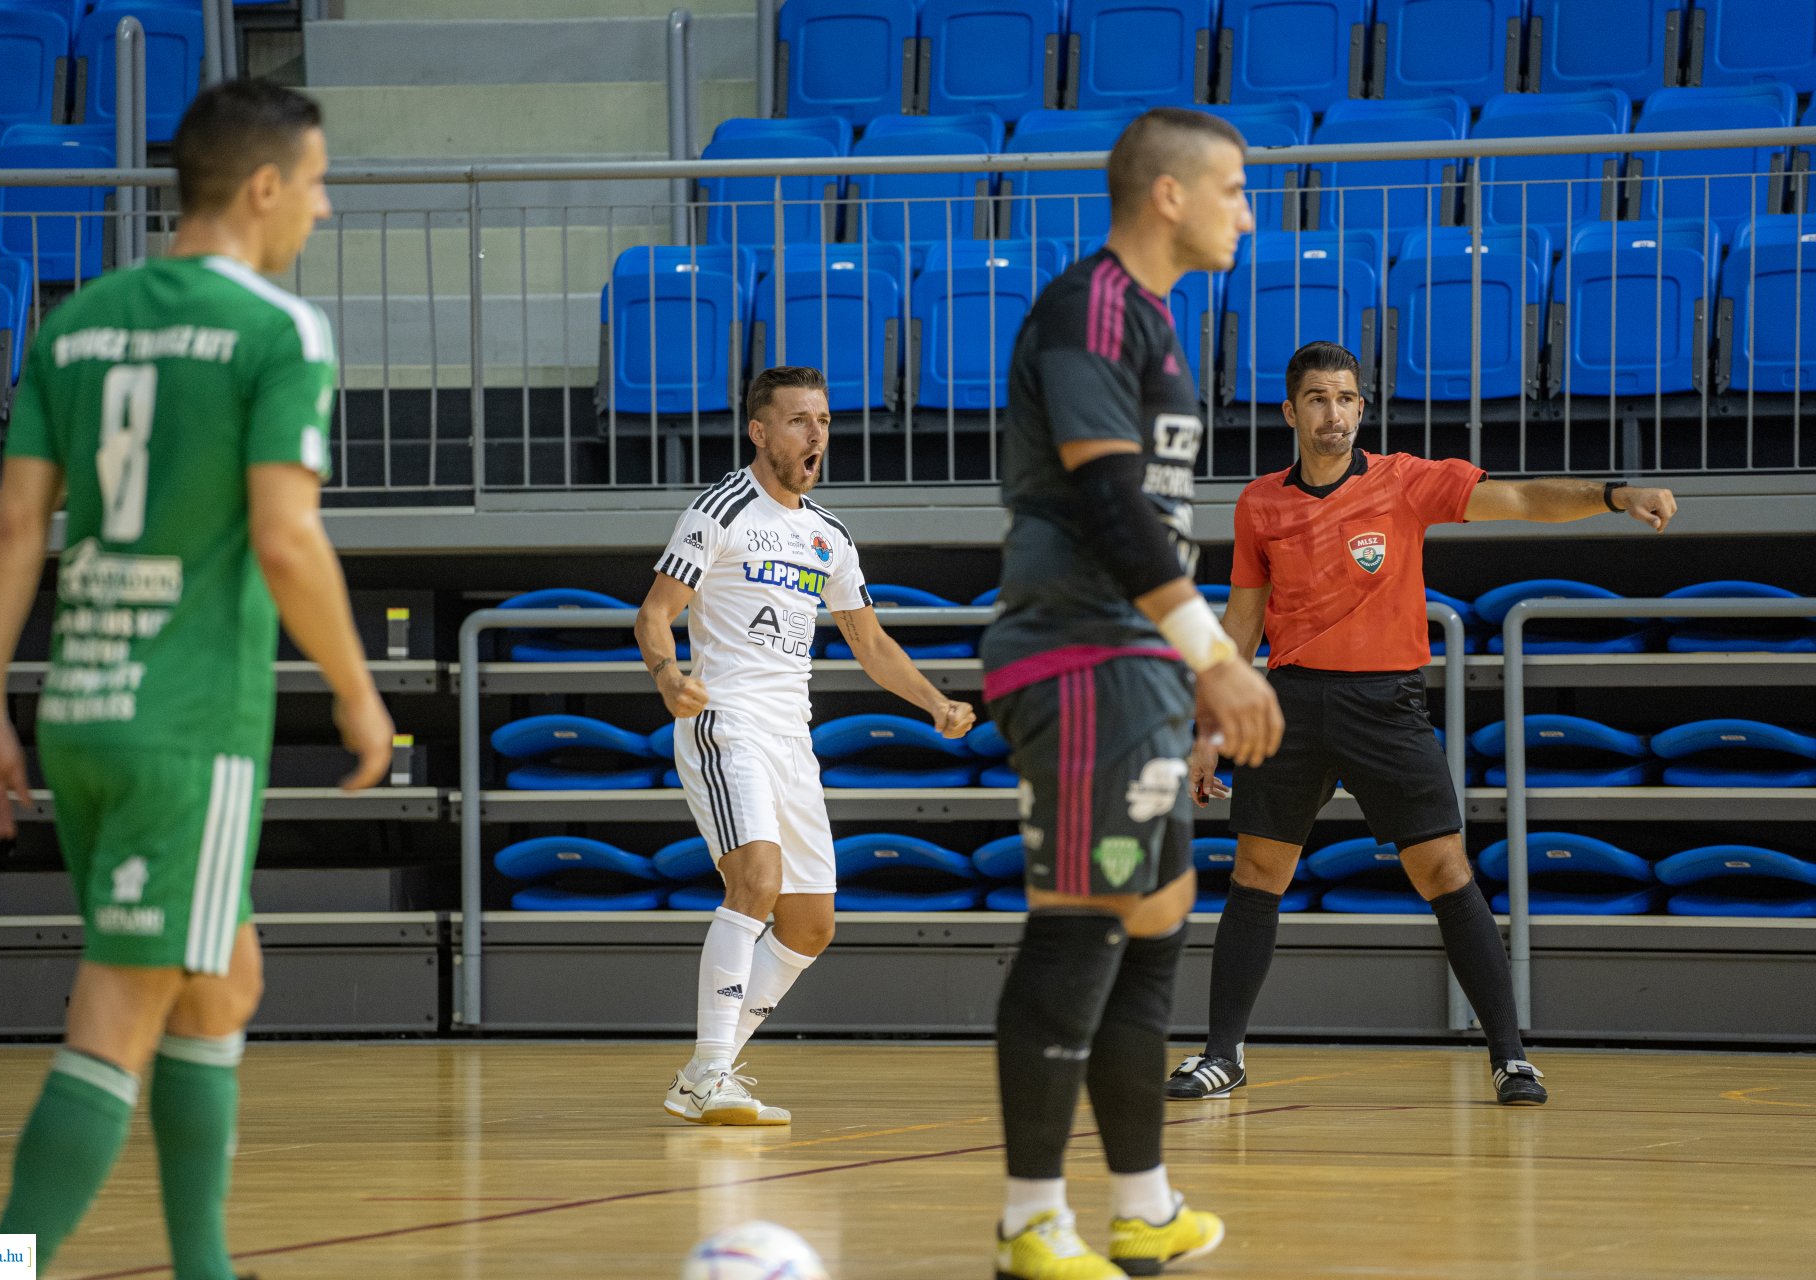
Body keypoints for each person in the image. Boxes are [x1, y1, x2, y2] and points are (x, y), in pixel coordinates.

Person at [0, 80, 392, 1277]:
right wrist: (358, 691)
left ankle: (206, 1264)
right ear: (262, 188)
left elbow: (11, 527)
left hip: (81, 710)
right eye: (314, 183)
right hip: (188, 725)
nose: (324, 206)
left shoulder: (75, 321)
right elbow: (288, 536)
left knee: (222, 973)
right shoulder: (278, 330)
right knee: (123, 1006)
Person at [1165, 339, 1679, 1108]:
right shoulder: (1258, 503)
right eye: (1316, 398)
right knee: (1254, 876)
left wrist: (1612, 492)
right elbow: (1239, 624)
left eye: (1344, 398)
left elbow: (1522, 499)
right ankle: (1222, 1055)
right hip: (1289, 705)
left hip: (1386, 705)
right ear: (1290, 410)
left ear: (1361, 409)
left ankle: (1510, 1058)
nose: (1332, 413)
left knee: (1445, 871)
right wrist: (1206, 732)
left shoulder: (1406, 483)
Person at [980, 108, 1284, 1280]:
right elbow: (1109, 505)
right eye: (1237, 189)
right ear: (1170, 194)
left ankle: (1145, 1204)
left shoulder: (1154, 319)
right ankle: (1027, 1221)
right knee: (1079, 920)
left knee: (1155, 921)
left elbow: (1153, 518)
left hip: (1140, 663)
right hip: (1081, 658)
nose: (1247, 213)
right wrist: (1209, 650)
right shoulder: (1092, 305)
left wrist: (1186, 661)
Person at [636, 365, 976, 1127]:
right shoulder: (722, 507)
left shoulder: (829, 534)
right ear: (759, 432)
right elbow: (654, 613)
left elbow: (870, 641)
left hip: (794, 736)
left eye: (822, 419)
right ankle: (711, 1074)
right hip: (726, 722)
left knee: (810, 923)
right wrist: (668, 678)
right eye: (798, 420)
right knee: (754, 880)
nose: (815, 433)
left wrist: (935, 703)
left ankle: (702, 1071)